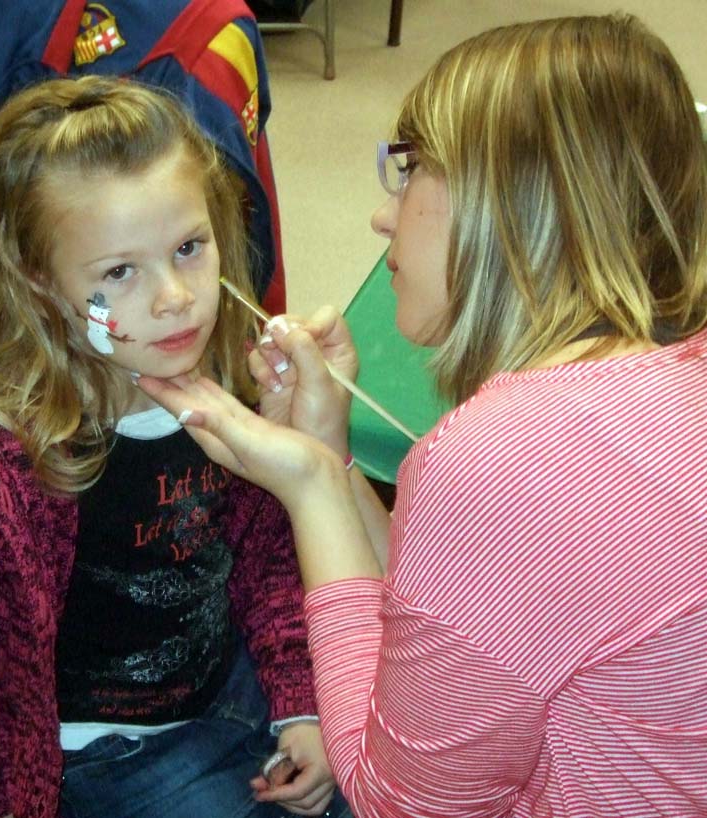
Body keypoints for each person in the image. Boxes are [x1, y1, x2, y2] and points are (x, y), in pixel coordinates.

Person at [138, 14, 707, 818]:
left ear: (506, 199)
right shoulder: (654, 385)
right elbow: (466, 615)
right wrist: (330, 452)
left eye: (408, 174)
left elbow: (397, 802)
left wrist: (307, 489)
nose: (382, 216)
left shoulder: (507, 459)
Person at [0, 75, 347, 818]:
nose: (175, 296)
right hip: (104, 752)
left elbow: (268, 560)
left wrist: (301, 706)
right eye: (120, 272)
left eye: (187, 247)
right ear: (42, 284)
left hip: (235, 689)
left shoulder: (225, 399)